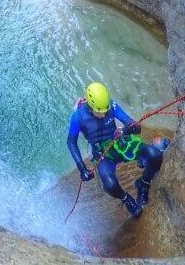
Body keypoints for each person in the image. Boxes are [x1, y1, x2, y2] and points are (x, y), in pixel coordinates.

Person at [66, 82, 163, 218]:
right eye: (100, 111)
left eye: (106, 110)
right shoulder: (78, 118)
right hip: (103, 154)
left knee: (155, 156)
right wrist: (82, 168)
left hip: (120, 143)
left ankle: (143, 184)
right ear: (90, 105)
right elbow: (71, 142)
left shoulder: (112, 105)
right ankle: (127, 200)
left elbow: (136, 126)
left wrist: (130, 128)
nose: (104, 114)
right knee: (110, 185)